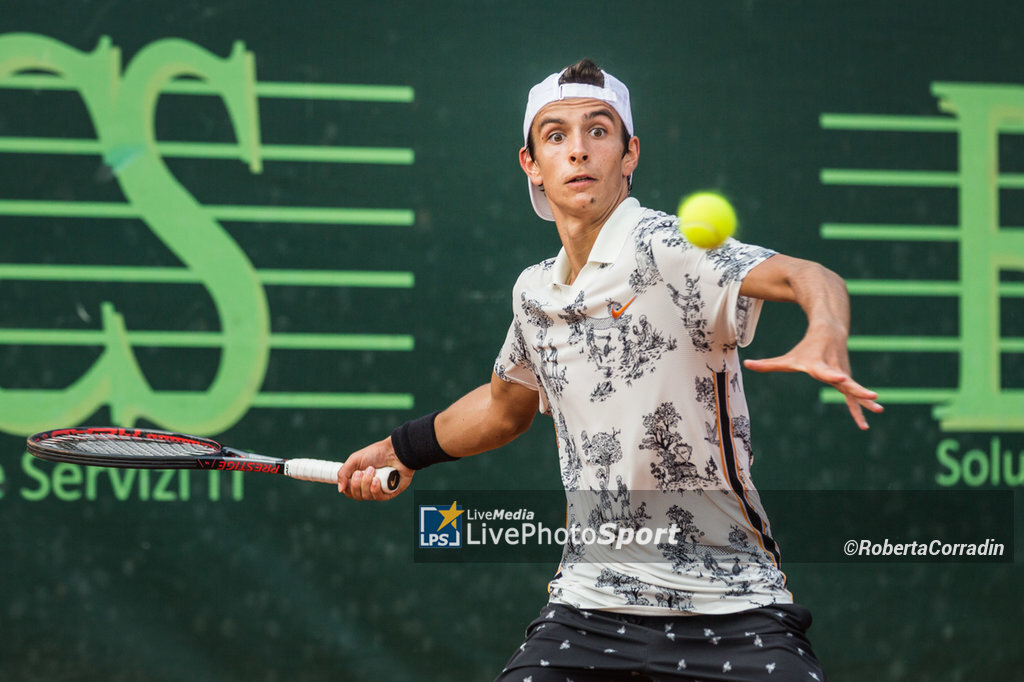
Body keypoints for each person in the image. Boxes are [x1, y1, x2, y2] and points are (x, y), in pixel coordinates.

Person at [338, 58, 883, 681]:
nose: (578, 151)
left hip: (731, 605)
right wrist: (403, 450)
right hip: (589, 609)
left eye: (599, 131)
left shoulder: (672, 247)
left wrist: (826, 333)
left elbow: (808, 276)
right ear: (531, 165)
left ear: (629, 155)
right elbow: (504, 406)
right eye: (556, 135)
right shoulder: (535, 293)